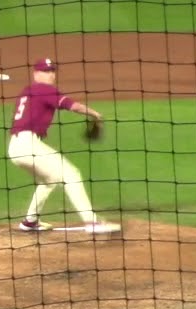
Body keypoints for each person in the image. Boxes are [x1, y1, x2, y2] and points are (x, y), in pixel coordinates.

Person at [7, 58, 121, 235]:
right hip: (28, 145)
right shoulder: (44, 89)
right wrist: (94, 114)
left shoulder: (27, 91)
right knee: (71, 174)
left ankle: (30, 222)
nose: (51, 74)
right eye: (46, 71)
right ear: (36, 73)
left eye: (52, 71)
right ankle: (91, 222)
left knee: (49, 180)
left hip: (16, 147)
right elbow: (71, 106)